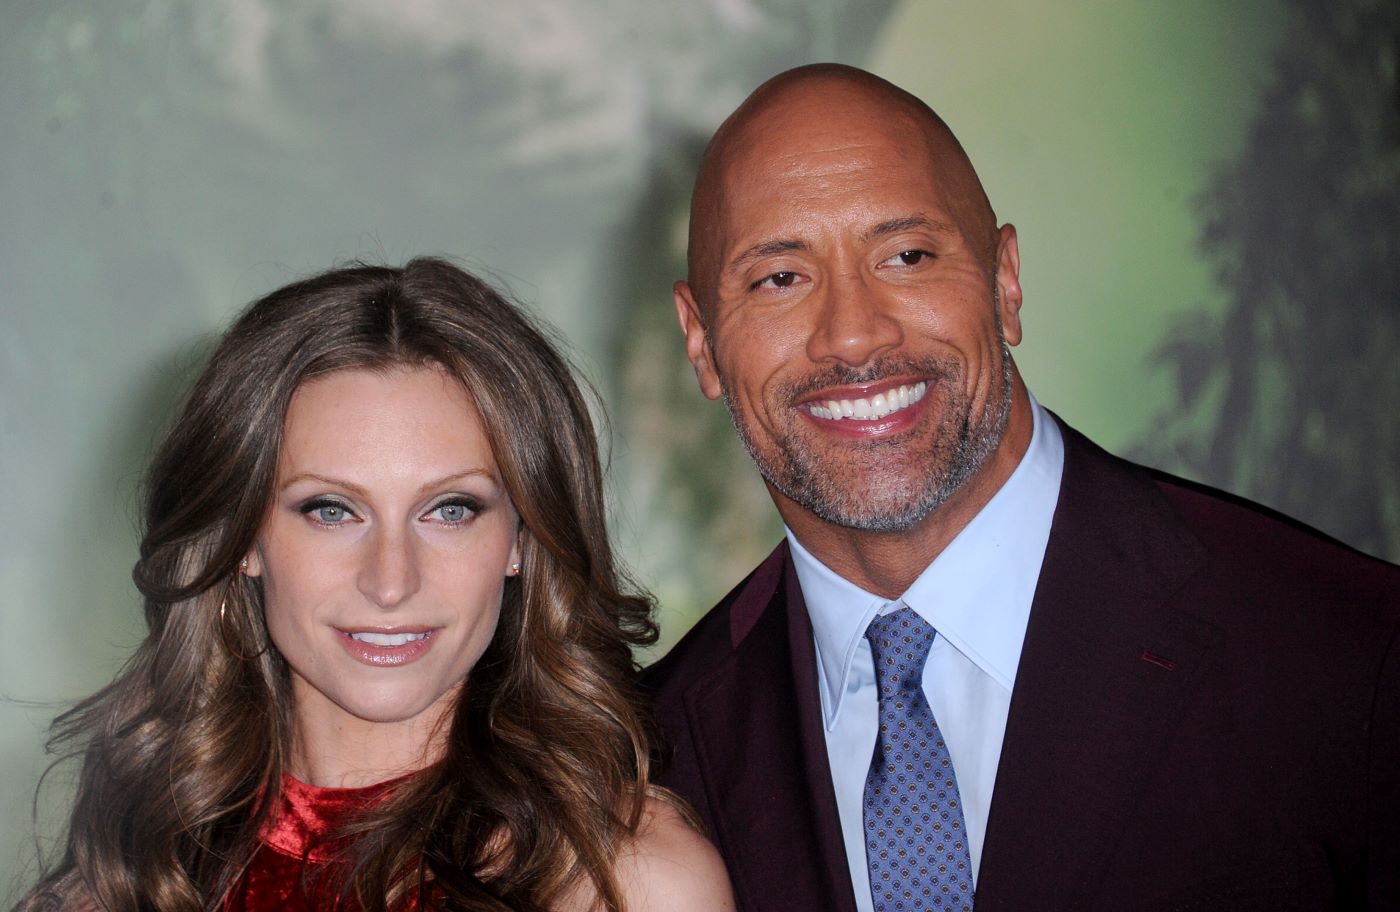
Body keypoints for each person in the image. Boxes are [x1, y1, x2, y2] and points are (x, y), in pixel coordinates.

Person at [645, 63, 1400, 911]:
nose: (853, 335)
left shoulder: (1350, 659)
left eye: (907, 255)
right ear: (702, 342)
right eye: (779, 277)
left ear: (1005, 280)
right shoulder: (644, 767)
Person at [18, 258, 735, 912]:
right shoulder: (129, 872)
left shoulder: (624, 881)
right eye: (331, 510)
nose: (391, 582)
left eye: (450, 510)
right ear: (244, 541)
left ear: (521, 538)